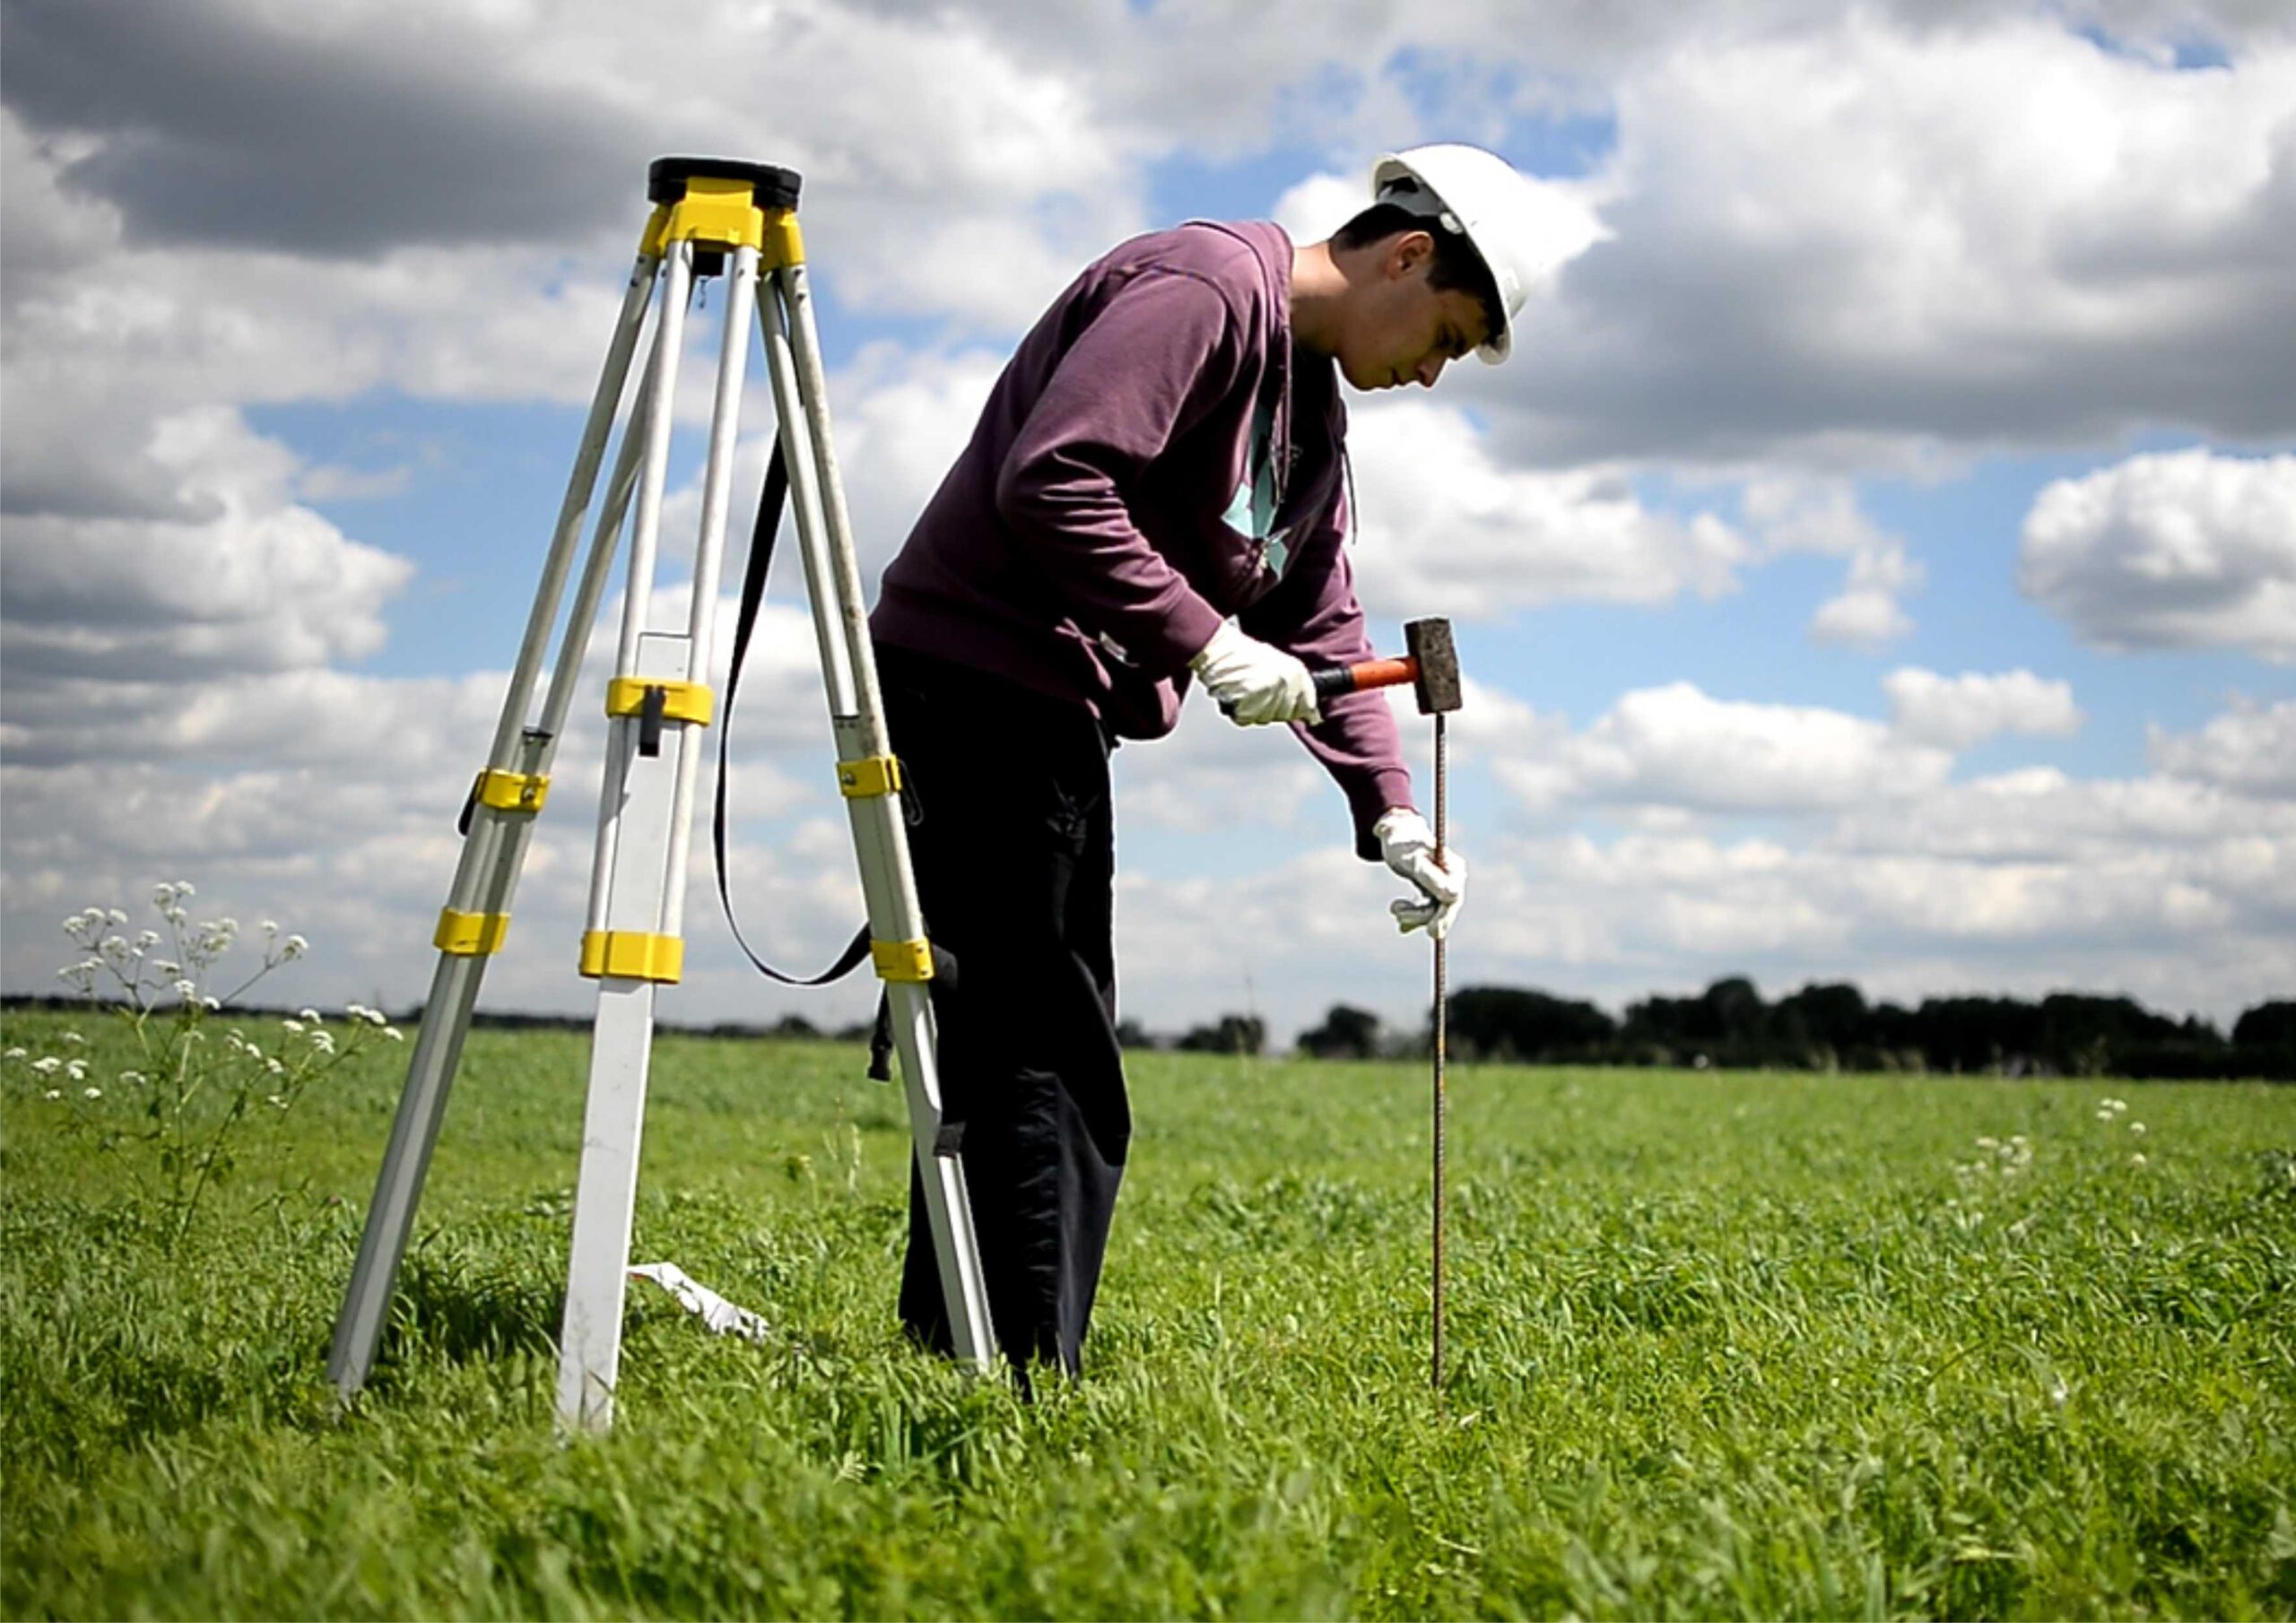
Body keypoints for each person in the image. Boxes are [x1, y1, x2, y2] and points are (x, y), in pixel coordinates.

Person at [869, 144, 1551, 1379]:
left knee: (1013, 1029)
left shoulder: (1311, 411)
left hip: (1046, 706)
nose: (1434, 374)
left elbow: (1327, 620)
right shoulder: (1203, 290)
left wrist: (1390, 811)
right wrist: (1206, 642)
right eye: (1445, 334)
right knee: (1045, 1044)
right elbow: (1056, 478)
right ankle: (1020, 1379)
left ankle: (952, 1347)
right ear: (1407, 256)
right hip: (971, 678)